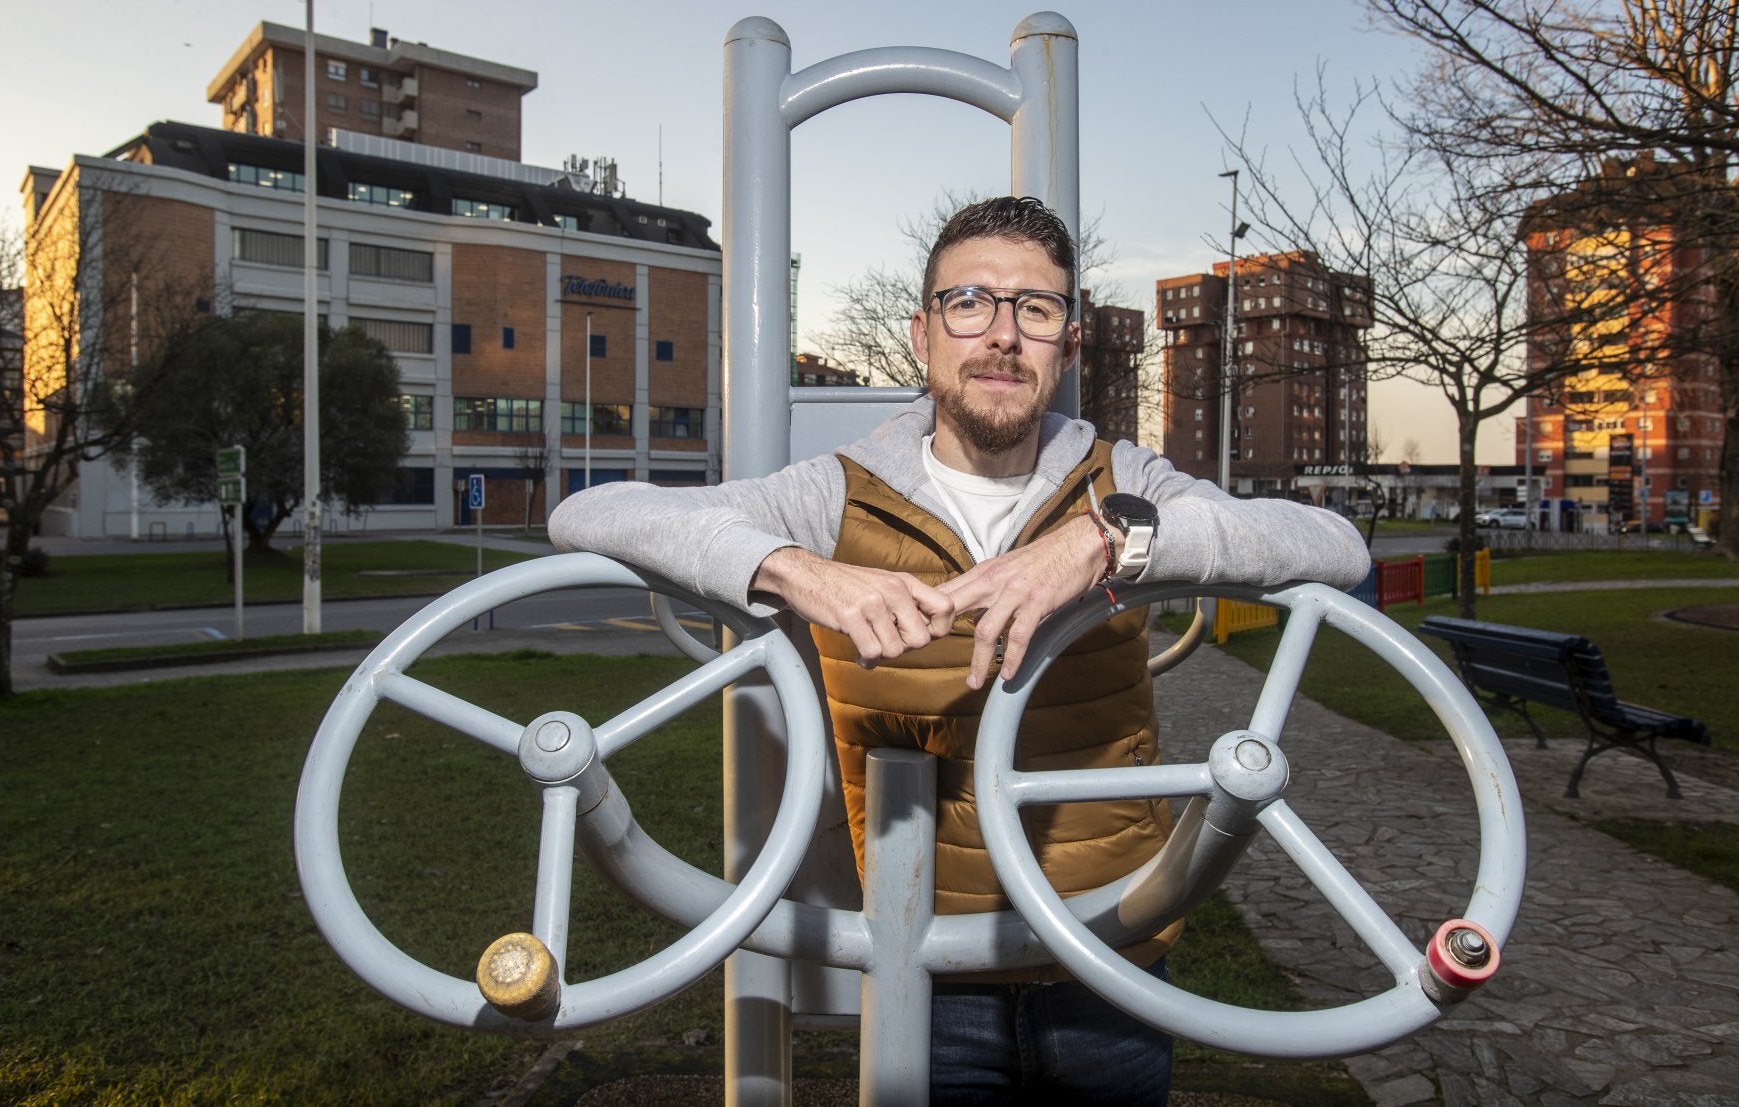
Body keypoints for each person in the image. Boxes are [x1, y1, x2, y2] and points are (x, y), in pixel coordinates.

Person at [549, 196, 1370, 1104]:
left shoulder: (1122, 482)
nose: (1004, 335)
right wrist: (795, 571)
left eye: (1037, 309)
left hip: (1110, 951)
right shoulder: (839, 496)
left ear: (1068, 343)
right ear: (922, 334)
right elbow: (590, 513)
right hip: (930, 967)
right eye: (970, 302)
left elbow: (1333, 544)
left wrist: (1104, 542)